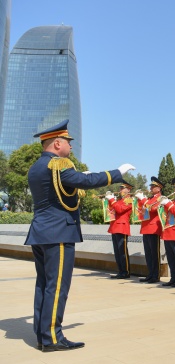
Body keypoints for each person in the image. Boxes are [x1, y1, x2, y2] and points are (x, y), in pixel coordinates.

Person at [25, 119, 133, 352]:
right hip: (59, 233)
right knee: (57, 287)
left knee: (43, 285)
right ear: (56, 144)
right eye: (67, 142)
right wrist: (116, 173)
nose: (71, 147)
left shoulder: (36, 167)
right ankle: (53, 337)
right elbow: (85, 181)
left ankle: (42, 334)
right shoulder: (59, 165)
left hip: (41, 232)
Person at [135, 177, 164, 283]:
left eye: (153, 186)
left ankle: (156, 275)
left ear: (159, 188)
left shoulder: (160, 198)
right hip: (146, 228)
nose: (151, 188)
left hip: (153, 228)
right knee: (148, 253)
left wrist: (143, 199)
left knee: (154, 253)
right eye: (151, 186)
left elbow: (152, 209)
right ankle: (150, 273)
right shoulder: (151, 198)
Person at [106, 182, 133, 279]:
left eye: (123, 188)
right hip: (114, 226)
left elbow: (120, 209)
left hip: (122, 226)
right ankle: (120, 271)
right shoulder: (119, 200)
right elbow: (111, 209)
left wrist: (112, 200)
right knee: (117, 251)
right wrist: (109, 200)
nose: (120, 190)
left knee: (122, 251)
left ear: (128, 190)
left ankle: (126, 272)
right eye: (120, 188)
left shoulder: (129, 200)